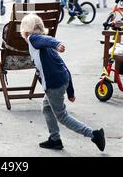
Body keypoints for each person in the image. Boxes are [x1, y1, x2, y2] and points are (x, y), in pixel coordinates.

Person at [20, 14, 105, 152]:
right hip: (63, 80)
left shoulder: (33, 38)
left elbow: (43, 39)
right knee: (47, 107)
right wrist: (70, 91)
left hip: (54, 86)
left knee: (62, 116)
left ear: (25, 30)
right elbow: (65, 67)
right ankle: (55, 139)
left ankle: (94, 134)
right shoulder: (47, 48)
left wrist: (57, 44)